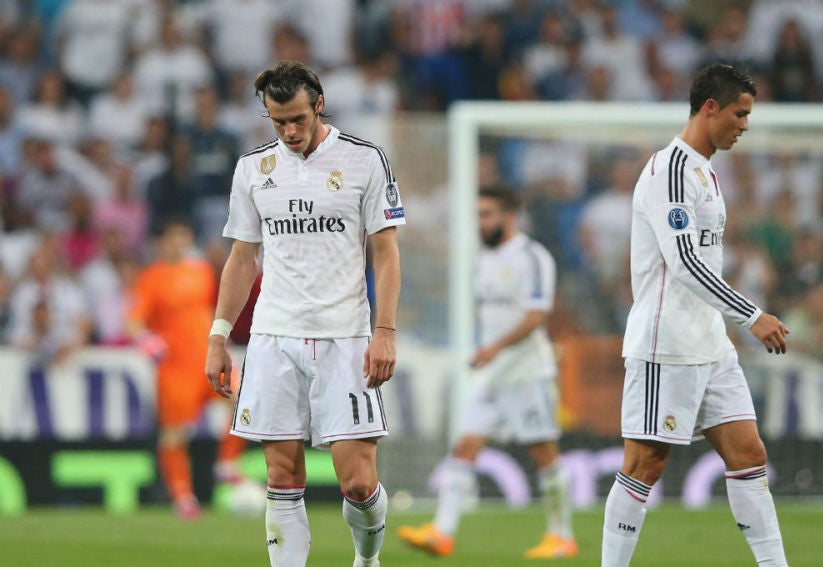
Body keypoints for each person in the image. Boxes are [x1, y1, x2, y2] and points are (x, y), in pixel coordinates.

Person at [204, 61, 404, 567]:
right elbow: (243, 257)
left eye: (297, 118)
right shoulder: (253, 168)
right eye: (278, 122)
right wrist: (218, 335)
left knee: (357, 482)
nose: (289, 131)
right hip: (274, 336)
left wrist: (385, 331)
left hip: (346, 336)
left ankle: (367, 558)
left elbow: (385, 252)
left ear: (319, 104)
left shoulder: (365, 160)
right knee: (279, 475)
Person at [601, 64, 791, 567]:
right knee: (645, 464)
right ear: (710, 108)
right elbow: (682, 261)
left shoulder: (704, 169)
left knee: (749, 454)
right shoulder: (671, 170)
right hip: (667, 342)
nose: (745, 125)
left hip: (708, 341)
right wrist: (752, 315)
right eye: (740, 113)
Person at [397, 186, 576, 559]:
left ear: (510, 215)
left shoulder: (532, 256)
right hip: (492, 374)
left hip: (527, 372)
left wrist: (493, 349)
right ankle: (442, 532)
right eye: (478, 215)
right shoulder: (484, 259)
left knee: (543, 454)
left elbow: (537, 315)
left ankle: (561, 535)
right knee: (464, 447)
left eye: (489, 214)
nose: (482, 222)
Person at [127, 218, 247, 519]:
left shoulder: (201, 272)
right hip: (175, 369)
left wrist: (222, 342)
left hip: (207, 358)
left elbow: (209, 309)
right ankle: (183, 497)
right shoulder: (151, 278)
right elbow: (132, 320)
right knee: (174, 434)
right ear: (161, 243)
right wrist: (147, 341)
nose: (179, 243)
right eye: (173, 238)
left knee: (247, 399)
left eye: (184, 237)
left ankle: (226, 463)